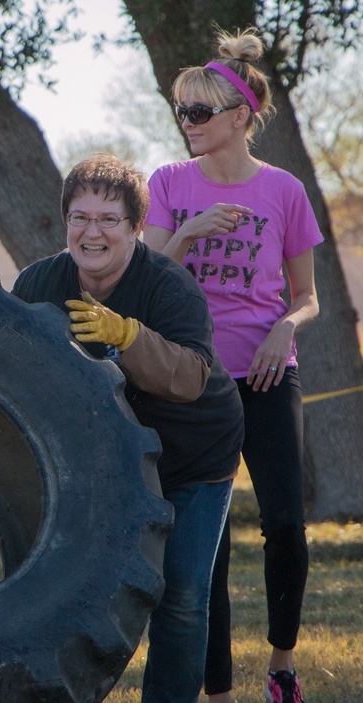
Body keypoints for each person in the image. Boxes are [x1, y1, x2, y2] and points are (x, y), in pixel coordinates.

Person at [11, 154, 245, 703]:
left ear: (137, 228)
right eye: (80, 217)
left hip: (194, 458)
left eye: (108, 220)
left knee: (183, 595)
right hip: (103, 460)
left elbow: (190, 375)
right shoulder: (39, 282)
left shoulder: (169, 286)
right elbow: (8, 366)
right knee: (68, 586)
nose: (92, 232)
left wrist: (128, 337)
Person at [143, 28, 321, 703]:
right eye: (182, 110)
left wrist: (284, 329)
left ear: (241, 117)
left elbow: (308, 297)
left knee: (285, 525)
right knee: (204, 548)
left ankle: (280, 665)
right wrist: (187, 232)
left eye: (199, 111)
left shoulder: (284, 191)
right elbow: (149, 281)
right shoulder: (167, 183)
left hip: (270, 375)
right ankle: (216, 690)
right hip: (193, 382)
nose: (186, 122)